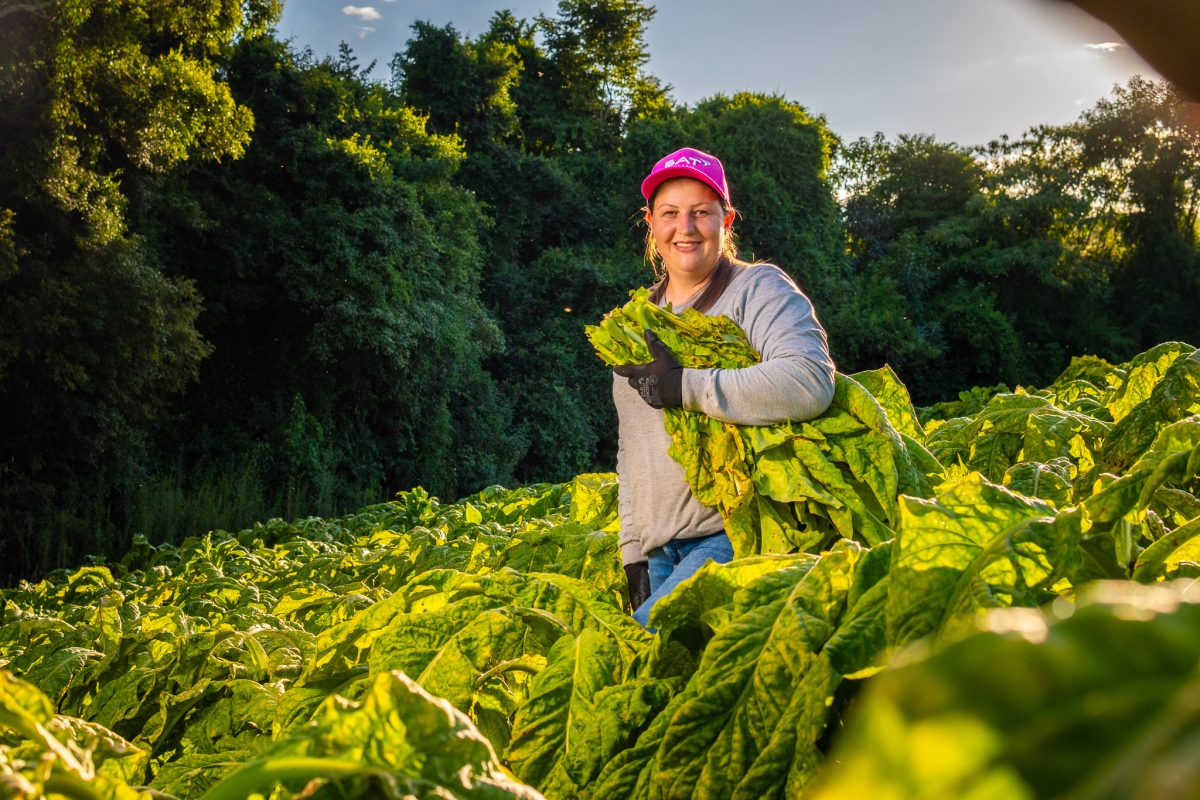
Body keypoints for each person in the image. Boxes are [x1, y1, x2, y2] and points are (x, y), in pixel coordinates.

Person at [613, 146, 837, 628]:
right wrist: (631, 548)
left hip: (734, 532)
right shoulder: (634, 323)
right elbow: (632, 448)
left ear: (726, 220)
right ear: (650, 222)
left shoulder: (756, 288)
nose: (685, 228)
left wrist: (683, 387)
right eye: (670, 213)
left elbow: (810, 380)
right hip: (659, 551)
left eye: (701, 213)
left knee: (631, 659)